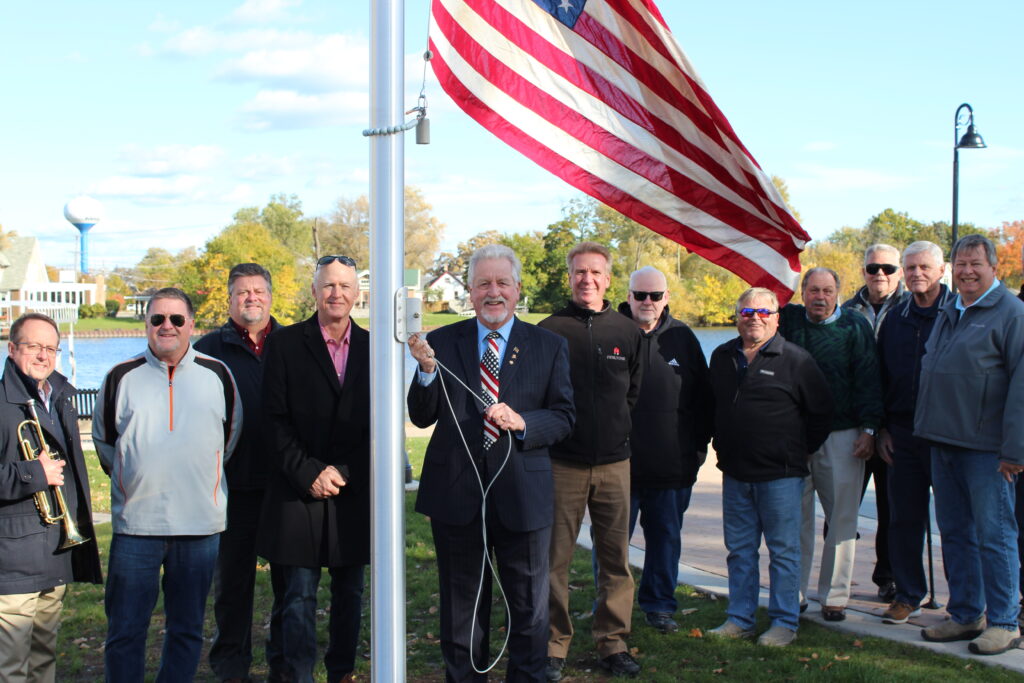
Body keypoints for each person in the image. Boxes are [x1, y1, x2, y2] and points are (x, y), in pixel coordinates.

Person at [407, 244, 575, 682]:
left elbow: (564, 417)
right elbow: (421, 415)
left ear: (517, 289)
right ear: (470, 291)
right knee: (462, 609)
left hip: (524, 495)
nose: (493, 292)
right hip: (457, 497)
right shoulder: (441, 343)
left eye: (502, 283)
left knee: (529, 610)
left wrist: (523, 422)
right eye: (483, 284)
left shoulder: (549, 345)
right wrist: (425, 371)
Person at [94, 287, 241, 682]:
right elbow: (106, 442)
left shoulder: (218, 374)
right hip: (136, 528)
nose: (167, 326)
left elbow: (229, 438)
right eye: (158, 318)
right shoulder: (119, 377)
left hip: (199, 528)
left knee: (187, 629)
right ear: (147, 323)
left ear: (191, 324)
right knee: (125, 631)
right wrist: (137, 475)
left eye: (176, 319)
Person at [256, 255, 370, 683]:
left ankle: (341, 671)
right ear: (314, 292)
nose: (336, 293)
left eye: (344, 285)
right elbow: (273, 420)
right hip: (296, 489)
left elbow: (379, 424)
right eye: (328, 286)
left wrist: (344, 472)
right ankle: (297, 673)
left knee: (350, 593)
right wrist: (309, 473)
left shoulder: (373, 347)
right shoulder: (285, 345)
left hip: (352, 491)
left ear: (356, 292)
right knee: (298, 595)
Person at [538, 242, 643, 679]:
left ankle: (612, 643)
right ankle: (551, 647)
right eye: (580, 272)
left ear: (608, 278)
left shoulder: (627, 331)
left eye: (596, 273)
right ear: (570, 277)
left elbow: (632, 394)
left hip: (615, 465)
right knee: (553, 561)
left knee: (615, 559)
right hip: (562, 463)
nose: (588, 280)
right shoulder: (548, 330)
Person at [915, 234, 1024, 655]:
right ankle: (964, 614)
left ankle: (1002, 621)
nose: (967, 271)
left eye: (976, 263)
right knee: (955, 533)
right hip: (943, 442)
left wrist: (1014, 451)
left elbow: (1020, 388)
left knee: (994, 536)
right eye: (960, 264)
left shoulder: (1011, 314)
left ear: (994, 267)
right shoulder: (951, 309)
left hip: (987, 451)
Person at [707, 288, 832, 647]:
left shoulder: (796, 360)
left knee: (784, 552)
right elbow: (711, 405)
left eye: (764, 311)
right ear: (737, 316)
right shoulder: (722, 356)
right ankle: (740, 618)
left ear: (777, 317)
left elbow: (821, 413)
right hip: (735, 473)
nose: (755, 318)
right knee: (740, 551)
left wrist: (798, 450)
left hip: (781, 475)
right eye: (747, 311)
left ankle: (783, 622)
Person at [0, 313, 102, 681]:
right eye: (33, 346)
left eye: (50, 348)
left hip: (54, 552)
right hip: (12, 561)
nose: (43, 355)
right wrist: (33, 474)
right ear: (12, 350)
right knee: (10, 667)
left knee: (44, 659)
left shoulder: (57, 395)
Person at [194, 263, 283, 683]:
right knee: (232, 585)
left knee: (290, 582)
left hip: (287, 485)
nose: (251, 298)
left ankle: (284, 664)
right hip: (231, 486)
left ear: (270, 296)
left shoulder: (293, 342)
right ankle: (232, 668)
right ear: (230, 299)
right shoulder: (208, 350)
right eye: (242, 292)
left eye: (258, 291)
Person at [611, 266, 712, 634]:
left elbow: (703, 401)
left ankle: (660, 606)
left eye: (655, 295)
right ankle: (610, 609)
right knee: (612, 545)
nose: (648, 302)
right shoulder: (611, 332)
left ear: (667, 297)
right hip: (617, 467)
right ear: (629, 296)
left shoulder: (683, 338)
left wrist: (695, 455)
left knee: (665, 541)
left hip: (672, 468)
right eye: (641, 295)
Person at [779, 267, 883, 622]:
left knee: (841, 517)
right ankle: (793, 593)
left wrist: (869, 430)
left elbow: (870, 379)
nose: (819, 297)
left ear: (838, 292)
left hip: (843, 435)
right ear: (803, 292)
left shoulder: (855, 326)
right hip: (794, 435)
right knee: (795, 518)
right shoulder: (789, 320)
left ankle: (835, 596)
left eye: (827, 290)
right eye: (812, 290)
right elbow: (761, 307)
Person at [874, 241, 952, 625]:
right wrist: (883, 426)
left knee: (956, 522)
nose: (917, 273)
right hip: (902, 433)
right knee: (903, 519)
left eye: (925, 266)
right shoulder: (896, 318)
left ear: (941, 270)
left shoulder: (959, 313)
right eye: (910, 267)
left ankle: (966, 603)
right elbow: (881, 377)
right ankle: (907, 594)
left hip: (948, 434)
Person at [841, 244, 908, 603]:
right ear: (863, 270)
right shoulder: (847, 311)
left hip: (894, 428)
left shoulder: (914, 309)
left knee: (892, 507)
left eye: (887, 268)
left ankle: (889, 576)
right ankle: (838, 575)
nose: (879, 274)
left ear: (898, 271)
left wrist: (884, 426)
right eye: (872, 268)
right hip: (852, 426)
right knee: (842, 504)